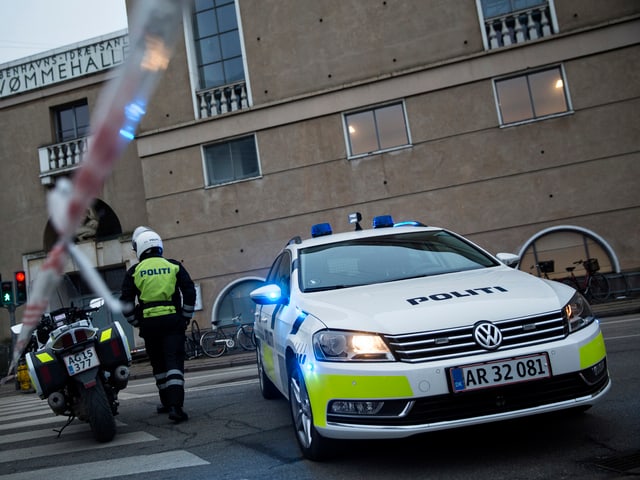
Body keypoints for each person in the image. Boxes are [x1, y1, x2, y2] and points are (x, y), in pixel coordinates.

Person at [120, 227, 196, 423]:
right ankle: (176, 407)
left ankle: (166, 402)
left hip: (149, 326)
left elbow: (126, 303)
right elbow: (189, 292)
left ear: (141, 248)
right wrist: (185, 317)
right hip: (173, 323)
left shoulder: (134, 271)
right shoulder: (174, 266)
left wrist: (136, 322)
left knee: (159, 365)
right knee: (174, 363)